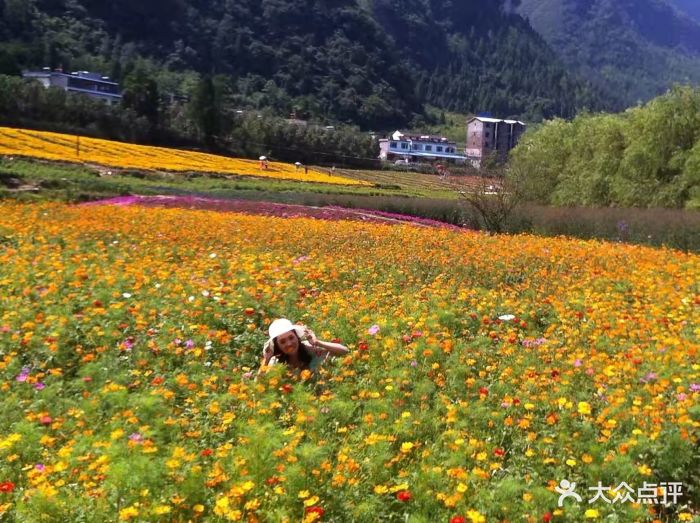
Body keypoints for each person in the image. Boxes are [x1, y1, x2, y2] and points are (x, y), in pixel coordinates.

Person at [260, 318, 349, 372]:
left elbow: (344, 351)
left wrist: (317, 342)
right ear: (277, 345)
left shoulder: (308, 348)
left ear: (297, 337)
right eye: (282, 341)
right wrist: (266, 360)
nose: (289, 343)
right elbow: (259, 385)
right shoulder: (275, 362)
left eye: (291, 337)